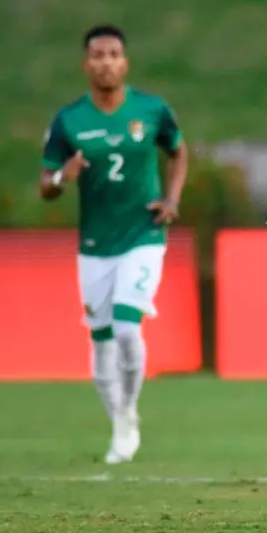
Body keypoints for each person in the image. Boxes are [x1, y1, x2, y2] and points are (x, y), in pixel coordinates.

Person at [39, 25, 188, 465]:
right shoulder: (69, 121)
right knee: (101, 340)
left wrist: (173, 198)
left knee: (127, 326)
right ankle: (121, 420)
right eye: (98, 55)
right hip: (94, 243)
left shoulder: (152, 110)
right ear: (86, 64)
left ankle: (128, 418)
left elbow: (178, 151)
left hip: (143, 234)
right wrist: (61, 176)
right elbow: (45, 186)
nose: (106, 62)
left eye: (114, 54)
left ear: (125, 62)